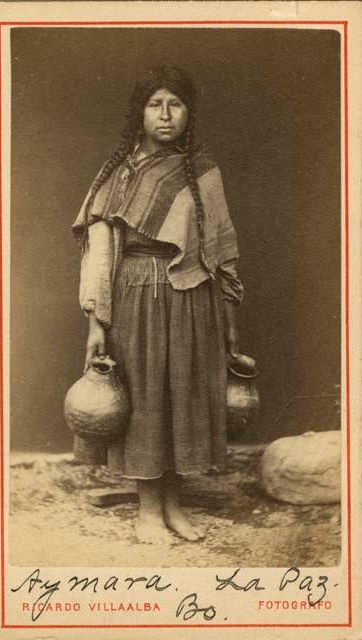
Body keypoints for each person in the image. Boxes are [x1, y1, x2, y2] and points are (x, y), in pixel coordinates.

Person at [72, 65, 244, 544]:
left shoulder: (203, 171)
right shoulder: (120, 173)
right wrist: (96, 323)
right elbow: (100, 252)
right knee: (146, 398)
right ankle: (148, 510)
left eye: (176, 104)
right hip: (136, 296)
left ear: (189, 113)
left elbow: (222, 251)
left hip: (194, 299)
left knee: (182, 399)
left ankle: (173, 504)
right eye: (155, 104)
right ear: (140, 112)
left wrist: (230, 323)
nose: (166, 115)